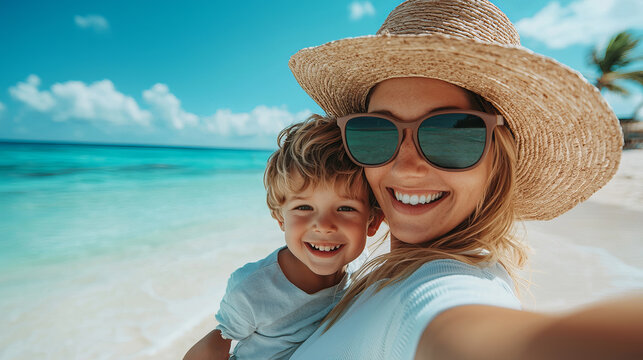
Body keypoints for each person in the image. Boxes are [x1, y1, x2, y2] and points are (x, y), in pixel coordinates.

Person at [282, 0, 642, 359]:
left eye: (448, 134)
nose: (407, 167)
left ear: (498, 160)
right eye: (377, 132)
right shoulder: (378, 277)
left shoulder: (448, 289)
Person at [183, 115, 383, 360]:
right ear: (280, 218)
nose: (323, 226)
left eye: (345, 208)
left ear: (372, 221)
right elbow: (220, 339)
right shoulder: (252, 289)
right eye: (304, 208)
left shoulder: (361, 269)